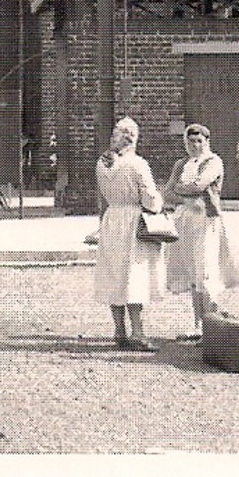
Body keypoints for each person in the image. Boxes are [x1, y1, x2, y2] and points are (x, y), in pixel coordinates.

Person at [162, 123, 239, 340]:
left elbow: (200, 186)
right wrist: (185, 196)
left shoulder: (214, 161)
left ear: (207, 142)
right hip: (184, 221)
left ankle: (212, 327)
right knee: (192, 272)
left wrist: (184, 192)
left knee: (206, 271)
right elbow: (167, 192)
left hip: (206, 221)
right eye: (191, 142)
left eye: (199, 141)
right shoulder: (181, 164)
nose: (195, 146)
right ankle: (198, 325)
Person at [93, 117, 166, 352]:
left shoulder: (102, 164)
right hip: (133, 220)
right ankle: (138, 332)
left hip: (112, 217)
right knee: (135, 274)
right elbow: (150, 199)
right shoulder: (138, 165)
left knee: (114, 272)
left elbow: (103, 195)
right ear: (132, 138)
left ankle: (119, 330)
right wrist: (159, 203)